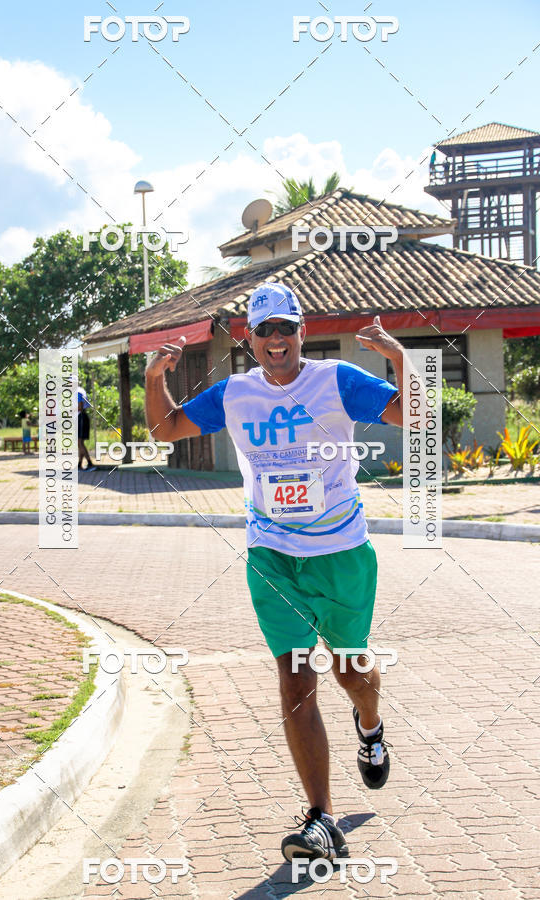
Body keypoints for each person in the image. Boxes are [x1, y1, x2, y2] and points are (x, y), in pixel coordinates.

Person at [146, 282, 406, 863]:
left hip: (340, 553)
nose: (276, 339)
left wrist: (399, 359)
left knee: (351, 670)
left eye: (286, 327)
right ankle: (322, 819)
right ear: (250, 339)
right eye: (264, 330)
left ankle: (369, 724)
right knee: (294, 680)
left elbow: (415, 414)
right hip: (271, 555)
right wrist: (154, 377)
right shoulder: (236, 393)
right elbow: (166, 430)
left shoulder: (337, 381)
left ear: (301, 332)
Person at [77, 387, 96, 472]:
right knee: (80, 443)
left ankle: (90, 463)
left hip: (81, 417)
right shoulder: (80, 390)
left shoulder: (77, 392)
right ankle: (79, 464)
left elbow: (80, 407)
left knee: (79, 442)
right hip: (82, 417)